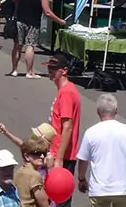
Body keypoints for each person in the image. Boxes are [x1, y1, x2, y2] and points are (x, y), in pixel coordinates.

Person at [76, 94, 126, 207]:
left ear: (98, 111)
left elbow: (83, 160)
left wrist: (81, 179)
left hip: (99, 189)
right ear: (116, 110)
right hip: (121, 189)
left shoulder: (91, 132)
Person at [10, 0, 65, 78]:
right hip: (33, 23)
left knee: (17, 46)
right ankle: (29, 72)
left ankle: (14, 70)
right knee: (30, 46)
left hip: (19, 20)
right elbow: (47, 12)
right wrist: (60, 21)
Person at [46, 54, 81, 207]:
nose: (50, 71)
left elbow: (67, 126)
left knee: (59, 199)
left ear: (64, 71)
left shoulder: (66, 93)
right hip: (59, 152)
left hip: (63, 155)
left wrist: (59, 158)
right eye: (49, 68)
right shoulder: (64, 91)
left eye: (53, 69)